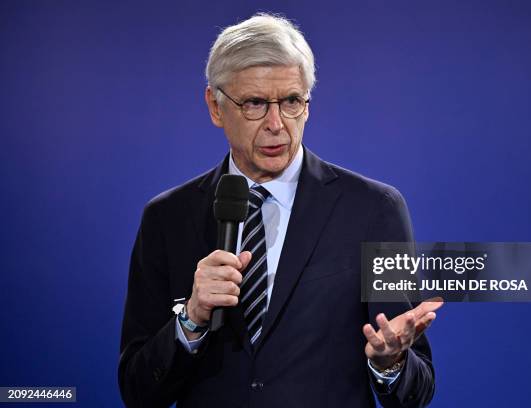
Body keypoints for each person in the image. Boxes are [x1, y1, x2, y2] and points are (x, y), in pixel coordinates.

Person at [119, 13, 443, 408]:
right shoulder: (167, 218)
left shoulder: (374, 209)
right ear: (216, 107)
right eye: (255, 103)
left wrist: (390, 364)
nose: (277, 124)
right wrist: (191, 319)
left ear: (307, 104)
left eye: (291, 101)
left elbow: (417, 389)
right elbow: (137, 390)